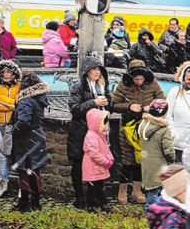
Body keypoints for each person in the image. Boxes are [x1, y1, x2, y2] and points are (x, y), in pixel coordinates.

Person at [112, 60, 165, 204]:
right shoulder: (123, 85)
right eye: (136, 79)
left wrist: (151, 108)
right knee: (127, 160)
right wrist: (129, 106)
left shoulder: (152, 83)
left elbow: (162, 101)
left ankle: (137, 190)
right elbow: (114, 104)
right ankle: (122, 191)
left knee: (141, 160)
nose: (139, 82)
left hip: (146, 126)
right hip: (128, 126)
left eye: (141, 79)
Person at [67, 56, 111, 210]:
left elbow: (110, 105)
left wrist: (107, 103)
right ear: (87, 72)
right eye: (94, 69)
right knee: (79, 166)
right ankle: (79, 198)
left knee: (98, 165)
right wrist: (93, 103)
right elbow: (74, 109)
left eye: (99, 69)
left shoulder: (102, 86)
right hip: (81, 132)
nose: (97, 72)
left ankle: (96, 198)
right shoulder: (78, 87)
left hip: (99, 132)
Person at [10, 71, 51, 213]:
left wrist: (12, 132)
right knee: (34, 171)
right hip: (36, 137)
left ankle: (25, 203)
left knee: (25, 171)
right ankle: (35, 201)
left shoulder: (26, 100)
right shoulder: (38, 98)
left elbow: (23, 120)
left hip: (26, 140)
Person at [0, 59, 21, 198]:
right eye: (3, 71)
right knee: (3, 155)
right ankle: (3, 182)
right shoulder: (0, 86)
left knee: (18, 154)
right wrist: (9, 105)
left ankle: (22, 185)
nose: (5, 74)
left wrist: (6, 102)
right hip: (1, 124)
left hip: (13, 124)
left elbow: (17, 104)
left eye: (8, 71)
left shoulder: (19, 86)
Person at [139, 99, 174, 208]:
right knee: (157, 191)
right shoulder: (164, 129)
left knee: (152, 188)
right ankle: (152, 212)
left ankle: (150, 210)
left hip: (147, 162)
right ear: (166, 112)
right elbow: (168, 150)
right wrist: (172, 160)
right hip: (160, 164)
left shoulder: (144, 125)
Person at [83, 108, 114, 212]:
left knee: (100, 187)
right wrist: (106, 161)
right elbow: (94, 153)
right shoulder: (91, 136)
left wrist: (110, 158)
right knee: (92, 188)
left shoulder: (100, 135)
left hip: (99, 167)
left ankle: (101, 203)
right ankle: (91, 205)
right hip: (92, 167)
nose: (106, 127)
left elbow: (105, 148)